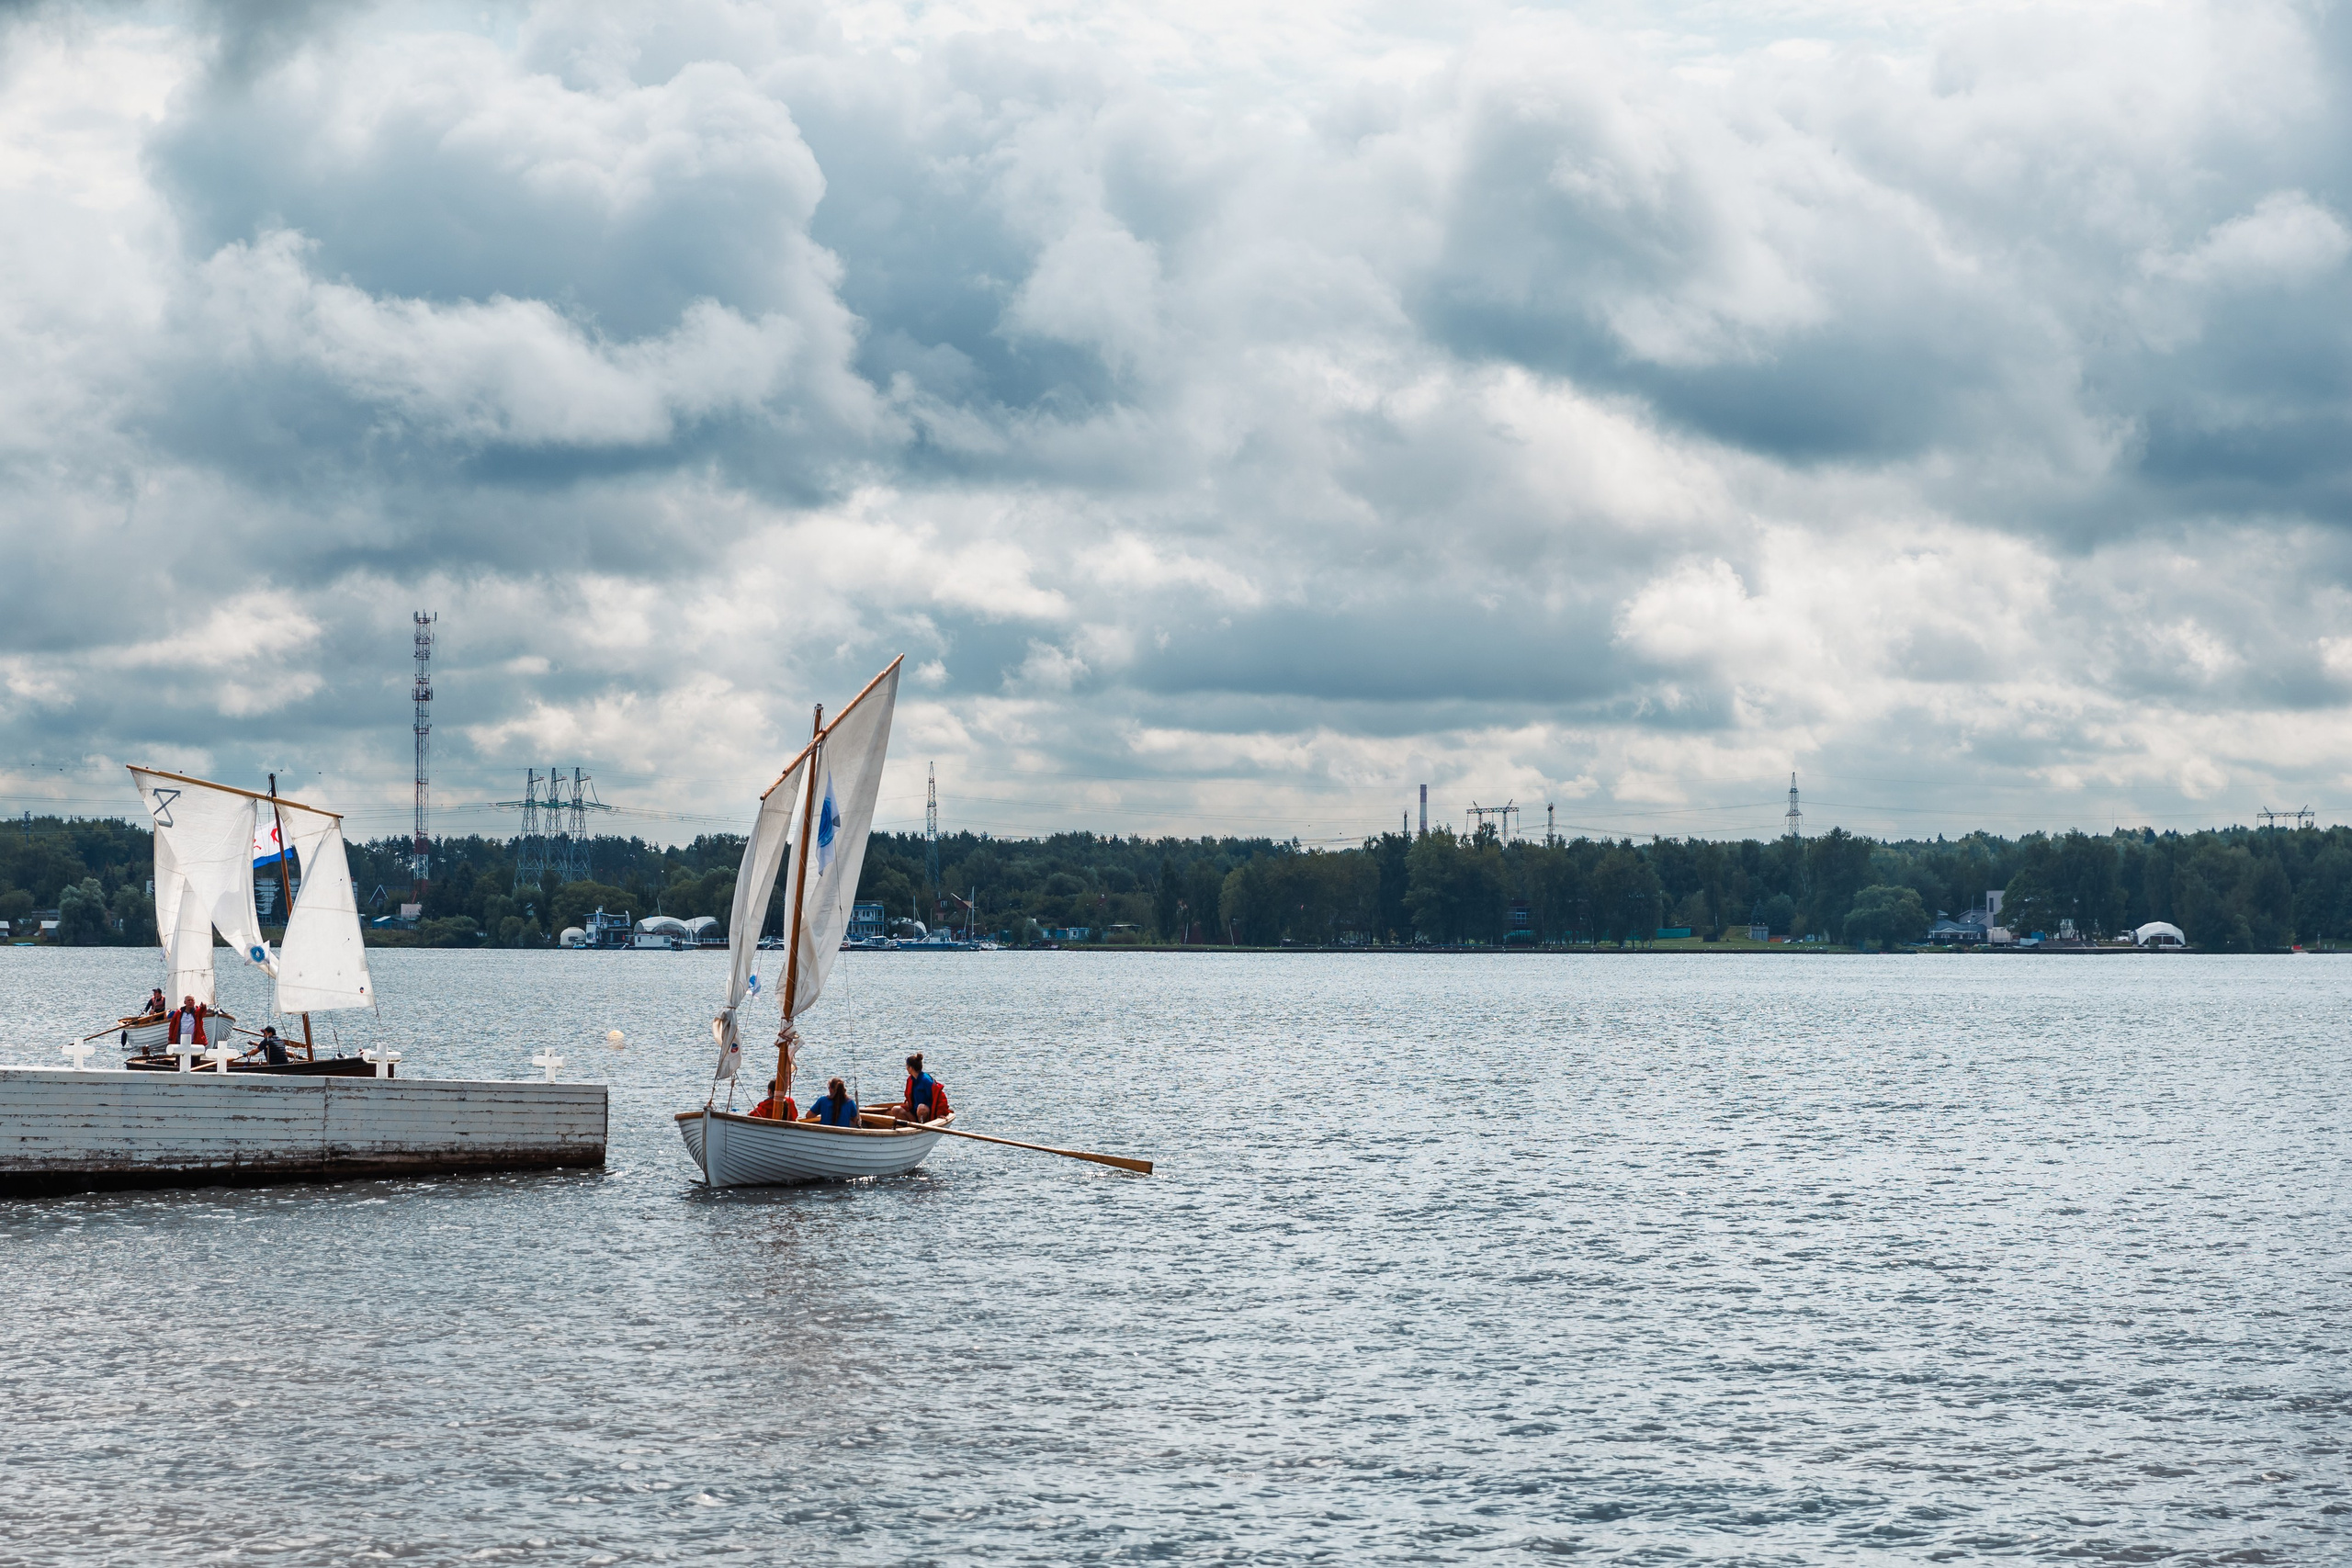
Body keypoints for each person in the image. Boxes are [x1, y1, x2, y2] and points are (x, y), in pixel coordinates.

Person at [901, 1054, 950, 1122]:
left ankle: (923, 1126)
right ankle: (913, 1127)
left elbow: (940, 1096)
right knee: (896, 1110)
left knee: (921, 1108)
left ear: (910, 1068)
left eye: (906, 1066)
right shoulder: (910, 1079)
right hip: (915, 1112)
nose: (906, 1068)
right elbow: (909, 1097)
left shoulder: (926, 1080)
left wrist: (941, 1113)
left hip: (928, 1113)